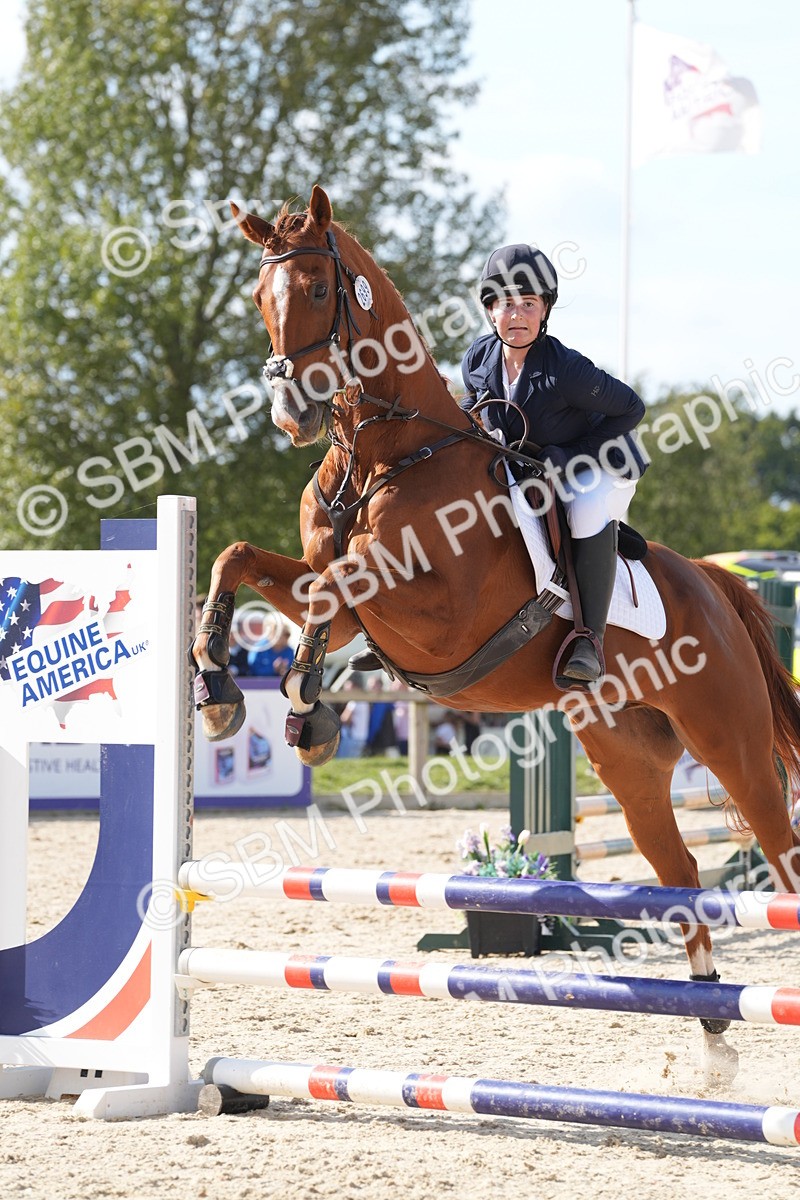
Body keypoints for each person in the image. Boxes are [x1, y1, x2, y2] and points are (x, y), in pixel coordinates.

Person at [460, 243, 648, 686]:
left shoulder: (565, 368)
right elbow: (474, 405)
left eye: (529, 304)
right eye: (506, 304)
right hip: (532, 469)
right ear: (490, 311)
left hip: (598, 462)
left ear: (545, 310)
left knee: (584, 510)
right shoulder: (478, 359)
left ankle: (589, 639)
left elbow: (631, 409)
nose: (517, 315)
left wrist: (569, 456)